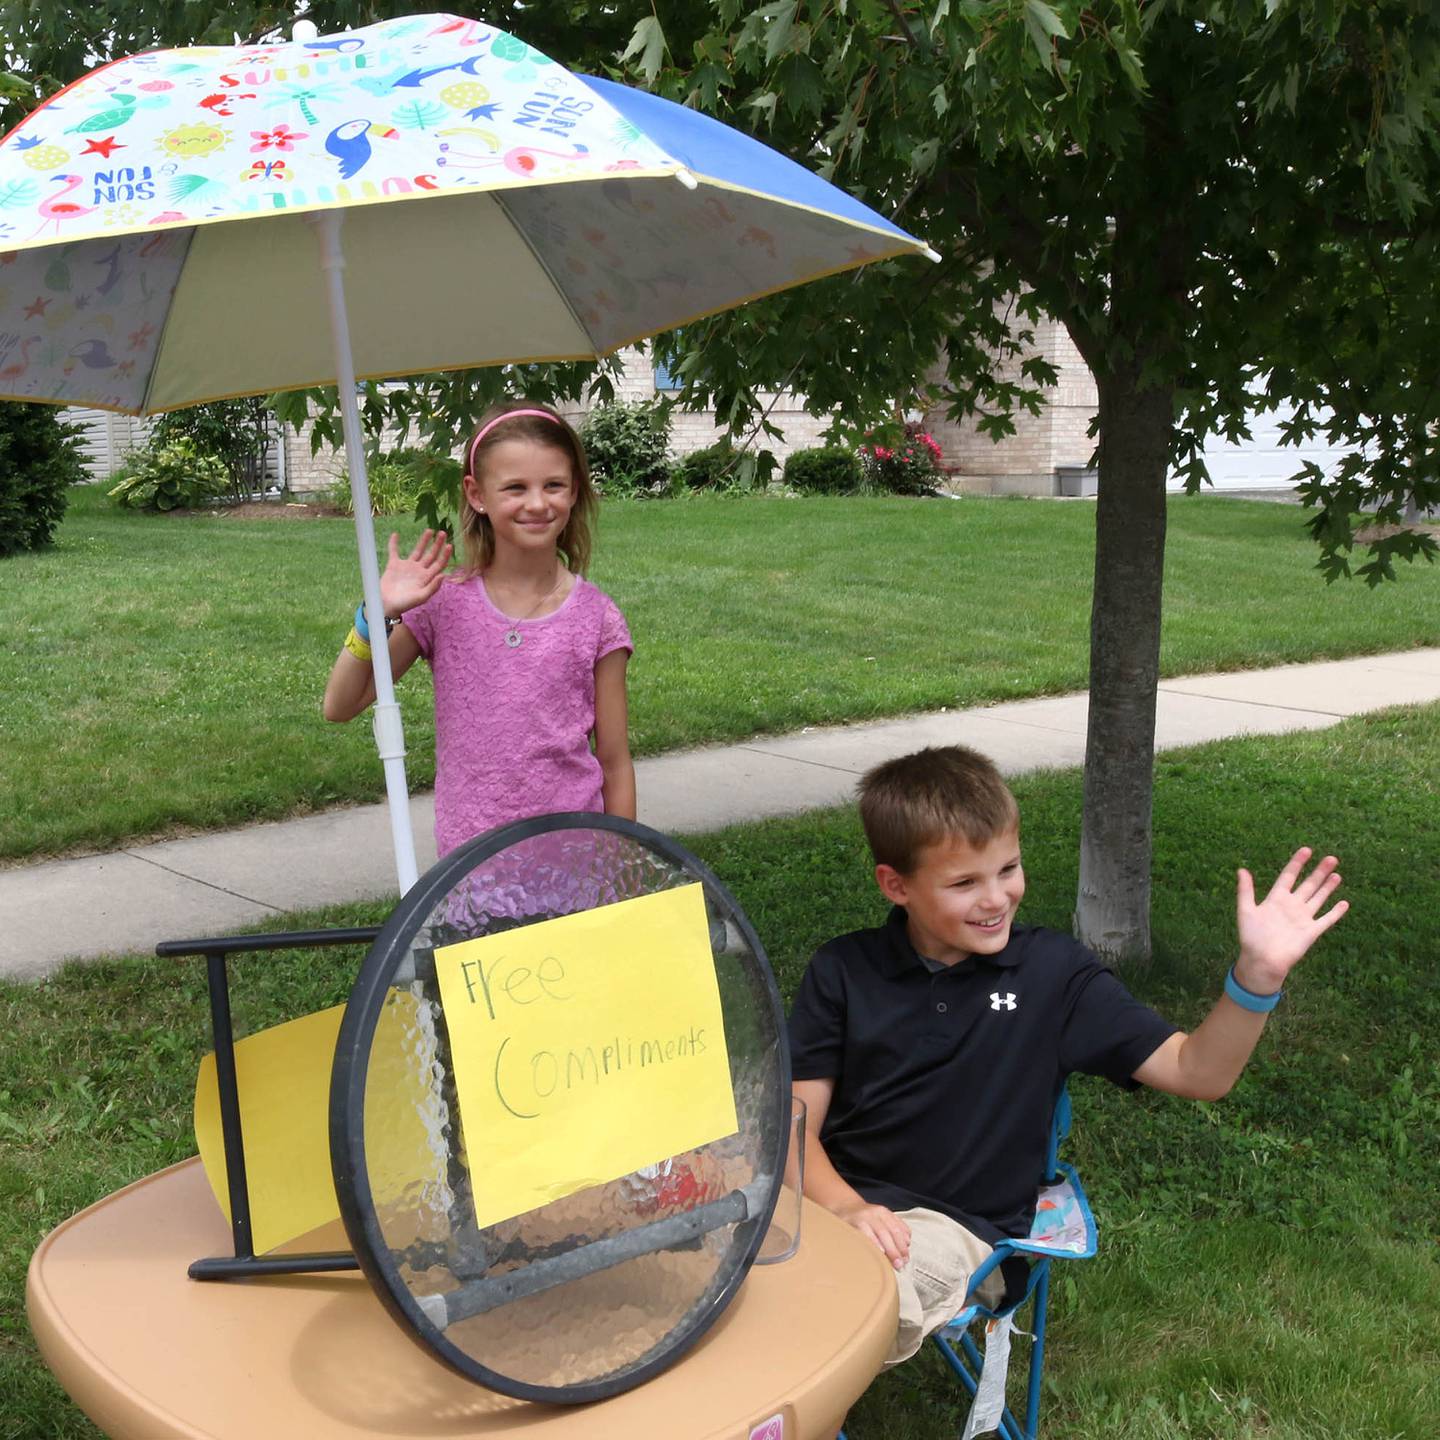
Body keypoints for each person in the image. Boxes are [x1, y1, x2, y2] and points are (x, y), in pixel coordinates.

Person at [788, 745, 1347, 1372]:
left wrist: (1257, 978)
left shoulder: (1053, 975)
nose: (997, 898)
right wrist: (843, 1206)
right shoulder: (842, 970)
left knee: (839, 1311)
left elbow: (1198, 1072)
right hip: (829, 1202)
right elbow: (793, 1122)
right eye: (964, 882)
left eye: (1008, 868)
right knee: (711, 1274)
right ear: (896, 885)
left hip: (953, 1233)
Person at [323, 402, 635, 857]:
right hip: (471, 870)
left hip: (573, 863)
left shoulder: (598, 618)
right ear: (477, 494)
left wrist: (621, 863)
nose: (537, 503)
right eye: (515, 487)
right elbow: (341, 704)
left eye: (553, 485)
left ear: (574, 492)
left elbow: (614, 760)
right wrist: (375, 615)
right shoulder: (443, 605)